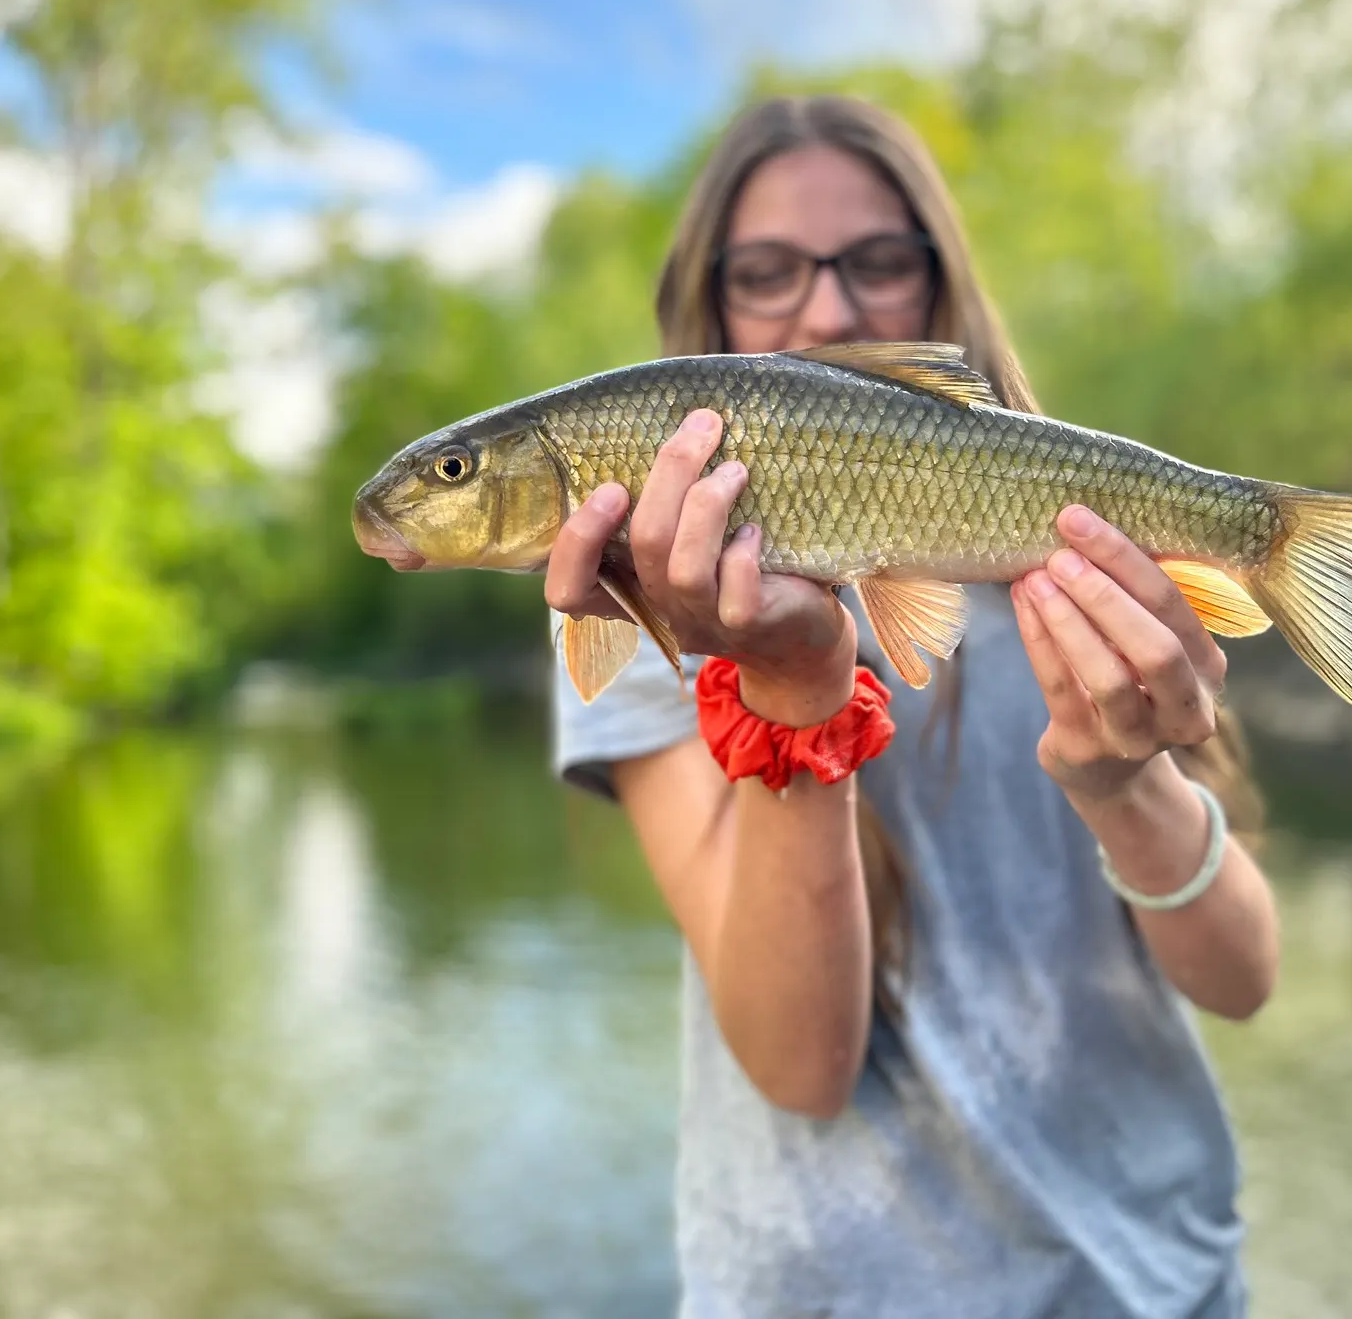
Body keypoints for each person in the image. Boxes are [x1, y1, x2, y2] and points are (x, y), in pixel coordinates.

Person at [544, 95, 1279, 1319]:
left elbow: (1246, 976)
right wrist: (789, 696)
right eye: (769, 272)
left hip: (1159, 1285)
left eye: (879, 262)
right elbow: (801, 1065)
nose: (829, 310)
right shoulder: (625, 597)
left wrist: (1122, 782)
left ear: (945, 291)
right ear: (709, 319)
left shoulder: (1081, 559)